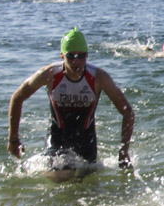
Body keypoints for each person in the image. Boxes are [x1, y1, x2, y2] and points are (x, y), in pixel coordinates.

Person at [7, 28, 135, 182]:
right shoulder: (50, 75)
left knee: (84, 184)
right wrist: (13, 140)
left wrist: (123, 152)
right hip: (57, 136)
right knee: (60, 175)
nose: (76, 61)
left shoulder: (99, 78)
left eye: (81, 56)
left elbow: (127, 112)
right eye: (71, 56)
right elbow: (17, 97)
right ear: (62, 56)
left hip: (86, 140)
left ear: (87, 55)